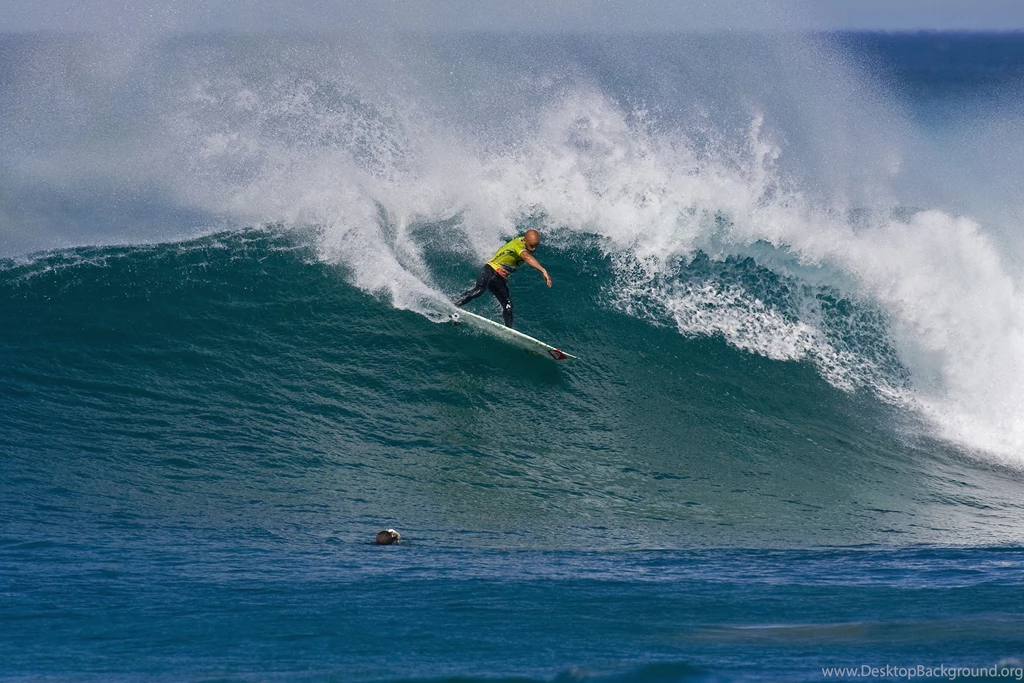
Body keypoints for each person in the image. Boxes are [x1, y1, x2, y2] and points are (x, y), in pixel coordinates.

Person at [453, 229, 552, 328]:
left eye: (536, 245)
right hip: (490, 269)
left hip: (499, 278)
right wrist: (543, 270)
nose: (534, 249)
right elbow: (526, 257)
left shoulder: (526, 243)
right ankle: (454, 305)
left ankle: (509, 330)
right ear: (525, 240)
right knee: (479, 290)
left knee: (508, 306)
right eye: (531, 246)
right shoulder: (518, 245)